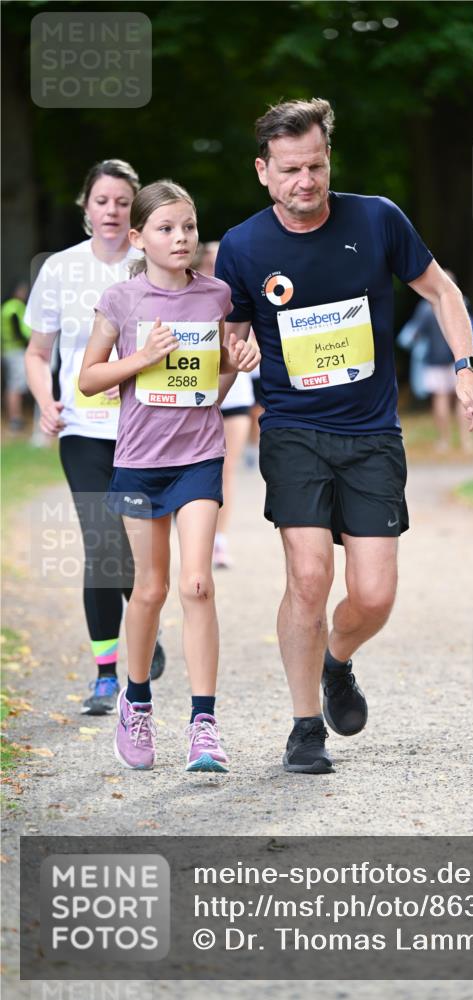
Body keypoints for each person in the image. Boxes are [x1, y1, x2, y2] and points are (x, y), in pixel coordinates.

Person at [217, 98, 473, 775]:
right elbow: (224, 346)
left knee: (372, 596)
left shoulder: (376, 219)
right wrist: (234, 357)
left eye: (314, 165)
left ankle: (337, 660)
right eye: (288, 170)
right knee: (308, 577)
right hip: (293, 429)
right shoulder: (243, 247)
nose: (304, 181)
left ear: (328, 159)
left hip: (371, 434)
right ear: (262, 171)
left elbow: (442, 292)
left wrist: (465, 368)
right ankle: (303, 724)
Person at [79, 180, 260, 772]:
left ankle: (204, 726)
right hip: (138, 462)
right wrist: (142, 359)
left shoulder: (217, 297)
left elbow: (211, 390)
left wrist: (233, 367)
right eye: (165, 228)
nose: (180, 237)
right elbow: (90, 379)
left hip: (199, 459)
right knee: (151, 589)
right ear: (139, 237)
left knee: (197, 585)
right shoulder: (122, 300)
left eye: (188, 226)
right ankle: (136, 702)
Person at [25, 160, 168, 717]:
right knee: (102, 546)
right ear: (86, 207)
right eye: (102, 200)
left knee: (136, 550)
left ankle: (144, 623)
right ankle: (107, 674)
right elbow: (40, 353)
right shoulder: (60, 270)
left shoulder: (150, 270)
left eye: (122, 201)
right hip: (83, 431)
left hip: (143, 432)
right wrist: (46, 401)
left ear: (136, 211)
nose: (111, 211)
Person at [195, 239, 255, 568]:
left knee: (226, 470)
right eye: (212, 259)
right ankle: (194, 530)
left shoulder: (245, 295)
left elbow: (256, 346)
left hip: (237, 394)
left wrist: (249, 353)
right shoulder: (190, 294)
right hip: (194, 394)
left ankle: (219, 541)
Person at [398, 270, 473, 455]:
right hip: (459, 360)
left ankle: (444, 441)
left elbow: (412, 335)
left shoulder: (425, 308)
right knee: (464, 401)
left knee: (440, 399)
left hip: (433, 361)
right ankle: (466, 441)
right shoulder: (461, 303)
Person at [1, 281, 31, 431]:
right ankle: (15, 418)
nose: (24, 294)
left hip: (7, 350)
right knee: (16, 386)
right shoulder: (15, 307)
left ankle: (15, 417)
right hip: (16, 351)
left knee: (11, 385)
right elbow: (18, 331)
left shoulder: (5, 307)